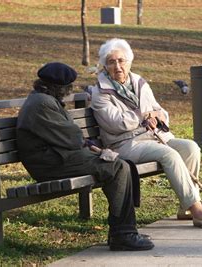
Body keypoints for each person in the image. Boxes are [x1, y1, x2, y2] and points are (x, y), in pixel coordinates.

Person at [16, 62, 154, 251]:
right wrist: (85, 144)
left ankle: (124, 230)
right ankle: (123, 234)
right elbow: (72, 137)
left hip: (59, 157)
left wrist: (88, 146)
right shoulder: (42, 103)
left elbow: (70, 137)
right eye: (68, 88)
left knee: (122, 165)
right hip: (51, 163)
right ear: (60, 87)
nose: (69, 91)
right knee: (118, 167)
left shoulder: (44, 100)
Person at [90, 38, 202, 229]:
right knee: (168, 154)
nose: (117, 66)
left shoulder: (140, 83)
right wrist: (143, 115)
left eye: (121, 60)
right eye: (111, 62)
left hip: (154, 137)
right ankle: (196, 209)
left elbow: (161, 112)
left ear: (129, 62)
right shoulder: (100, 93)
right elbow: (116, 123)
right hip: (126, 144)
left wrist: (157, 117)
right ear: (104, 66)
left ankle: (184, 207)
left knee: (190, 148)